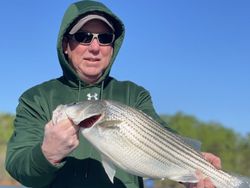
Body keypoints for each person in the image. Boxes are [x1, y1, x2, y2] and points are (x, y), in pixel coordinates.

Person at [5, 1, 221, 188]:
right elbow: (17, 166)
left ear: (113, 46)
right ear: (65, 45)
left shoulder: (133, 94)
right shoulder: (36, 98)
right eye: (84, 36)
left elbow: (162, 140)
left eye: (105, 38)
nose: (95, 47)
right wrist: (47, 154)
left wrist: (195, 168)